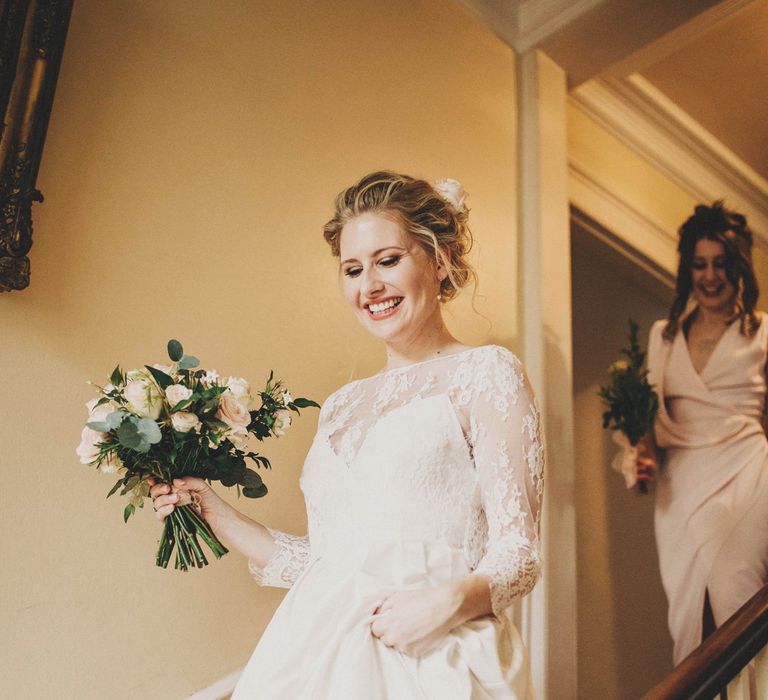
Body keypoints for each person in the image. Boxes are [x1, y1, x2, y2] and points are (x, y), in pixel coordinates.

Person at [151, 171, 544, 698]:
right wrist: (210, 509)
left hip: (430, 654)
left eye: (389, 260)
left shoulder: (487, 373)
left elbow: (518, 552)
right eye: (353, 269)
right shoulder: (340, 405)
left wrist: (448, 602)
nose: (370, 286)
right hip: (318, 656)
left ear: (440, 259)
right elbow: (329, 567)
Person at [637, 201, 768, 666]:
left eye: (721, 263)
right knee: (689, 613)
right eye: (700, 264)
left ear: (739, 268)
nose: (710, 276)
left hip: (747, 475)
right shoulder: (663, 335)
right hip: (682, 485)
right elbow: (649, 419)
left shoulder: (764, 332)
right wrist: (642, 455)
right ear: (687, 270)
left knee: (738, 590)